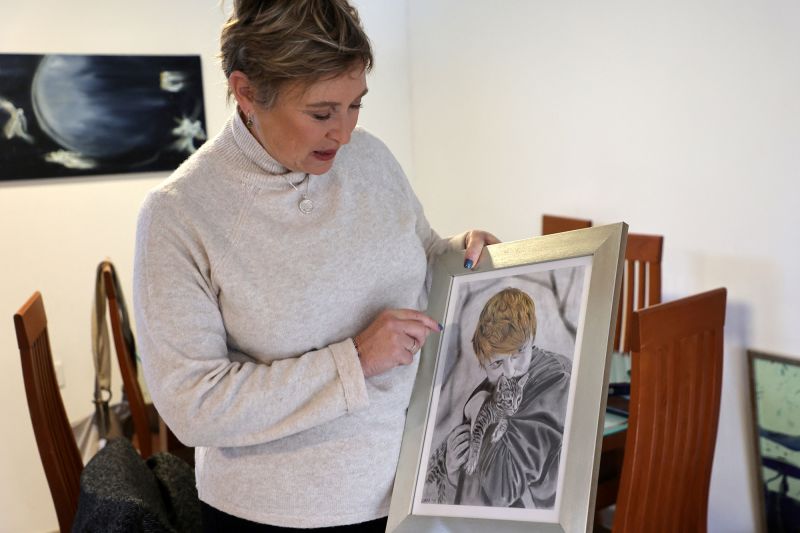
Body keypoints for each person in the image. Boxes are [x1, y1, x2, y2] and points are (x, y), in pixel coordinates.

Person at [132, 1, 499, 531]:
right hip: (280, 515)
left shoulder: (371, 158)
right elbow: (194, 406)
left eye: (356, 105)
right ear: (246, 92)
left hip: (416, 488)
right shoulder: (180, 213)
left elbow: (419, 253)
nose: (344, 134)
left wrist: (461, 252)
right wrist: (354, 361)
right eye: (322, 114)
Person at [424, 288, 571, 508]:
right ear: (483, 365)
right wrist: (452, 471)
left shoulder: (556, 379)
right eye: (496, 364)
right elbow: (469, 496)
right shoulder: (491, 387)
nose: (509, 372)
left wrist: (479, 406)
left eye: (517, 354)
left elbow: (501, 490)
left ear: (531, 338)